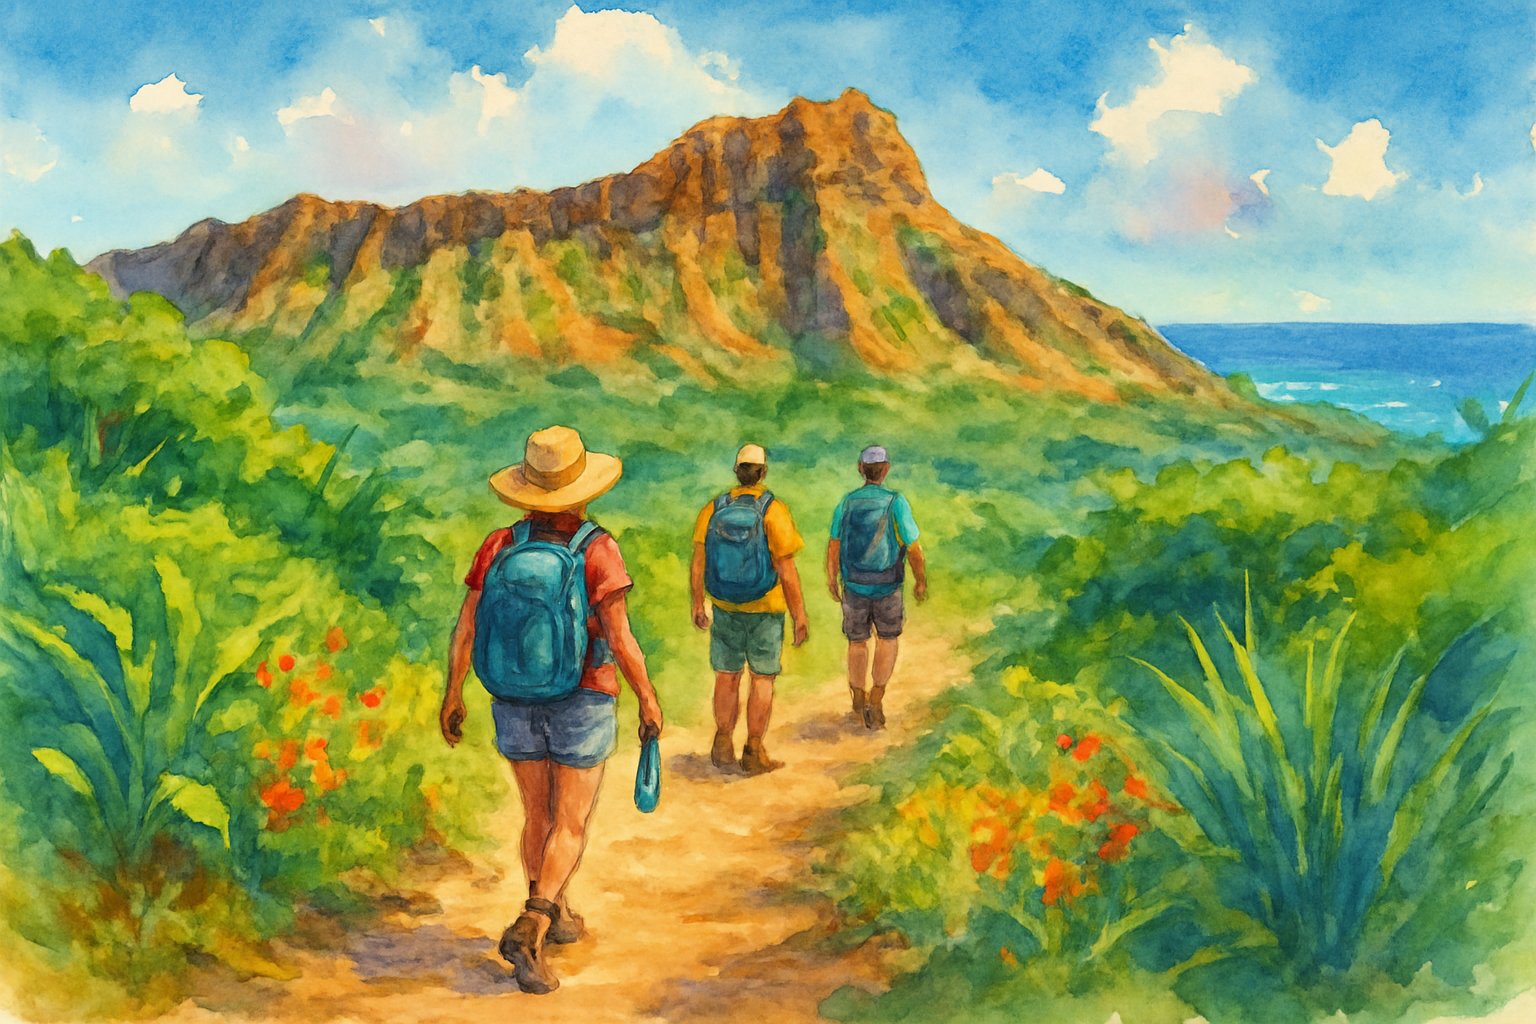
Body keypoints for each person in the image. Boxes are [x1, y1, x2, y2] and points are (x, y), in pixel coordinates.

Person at [439, 425, 663, 995]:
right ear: (582, 490)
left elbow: (468, 625)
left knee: (536, 815)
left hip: (511, 693)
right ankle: (534, 923)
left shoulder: (499, 544)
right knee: (570, 822)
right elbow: (621, 636)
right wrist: (649, 699)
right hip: (584, 693)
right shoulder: (597, 548)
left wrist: (454, 690)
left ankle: (556, 911)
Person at [690, 443, 810, 775]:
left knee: (726, 676)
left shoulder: (713, 509)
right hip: (766, 610)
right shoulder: (774, 511)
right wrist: (800, 615)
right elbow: (786, 569)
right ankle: (754, 750)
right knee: (762, 678)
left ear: (736, 471)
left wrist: (697, 602)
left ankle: (723, 742)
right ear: (762, 473)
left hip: (725, 605)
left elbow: (699, 561)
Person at [826, 445, 927, 730]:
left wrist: (832, 577)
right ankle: (877, 697)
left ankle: (858, 697)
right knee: (888, 639)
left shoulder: (847, 502)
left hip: (854, 583)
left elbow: (834, 544)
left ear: (861, 469)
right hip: (887, 584)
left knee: (857, 642)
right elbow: (912, 546)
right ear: (886, 470)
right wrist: (920, 579)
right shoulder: (896, 502)